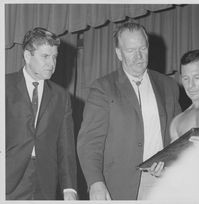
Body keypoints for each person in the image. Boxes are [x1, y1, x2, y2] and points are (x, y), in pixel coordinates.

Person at [77, 22, 181, 200]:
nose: (138, 56)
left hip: (163, 183)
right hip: (118, 186)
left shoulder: (168, 85)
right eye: (131, 50)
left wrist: (170, 161)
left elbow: (177, 133)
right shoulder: (102, 88)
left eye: (142, 48)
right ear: (119, 53)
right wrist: (95, 182)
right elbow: (89, 142)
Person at [6, 27, 77, 200]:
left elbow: (65, 146)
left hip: (45, 183)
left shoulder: (61, 96)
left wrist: (69, 189)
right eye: (45, 56)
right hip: (7, 180)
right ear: (27, 56)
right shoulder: (4, 86)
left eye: (54, 57)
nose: (51, 63)